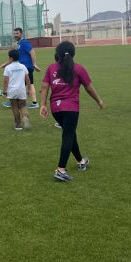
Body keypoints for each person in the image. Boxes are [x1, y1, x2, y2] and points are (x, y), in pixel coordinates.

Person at [40, 41, 104, 182]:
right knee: (68, 135)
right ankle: (61, 169)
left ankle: (81, 160)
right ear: (73, 53)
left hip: (56, 109)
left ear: (58, 53)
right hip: (71, 108)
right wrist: (99, 101)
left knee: (70, 133)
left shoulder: (51, 68)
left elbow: (44, 87)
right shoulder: (79, 69)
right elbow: (89, 88)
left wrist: (43, 105)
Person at [1, 27, 41, 109]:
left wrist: (34, 64)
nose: (15, 35)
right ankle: (17, 101)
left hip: (26, 67)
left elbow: (32, 52)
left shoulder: (24, 43)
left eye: (17, 33)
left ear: (21, 34)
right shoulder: (17, 44)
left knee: (24, 84)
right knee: (19, 84)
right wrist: (6, 64)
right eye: (14, 34)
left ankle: (34, 103)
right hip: (20, 67)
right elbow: (13, 56)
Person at [3, 49, 31, 130]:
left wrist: (4, 90)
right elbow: (27, 79)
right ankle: (25, 117)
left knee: (14, 107)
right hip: (21, 89)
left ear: (11, 58)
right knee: (22, 105)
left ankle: (18, 124)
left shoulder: (8, 68)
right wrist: (29, 89)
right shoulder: (23, 66)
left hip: (12, 90)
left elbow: (5, 81)